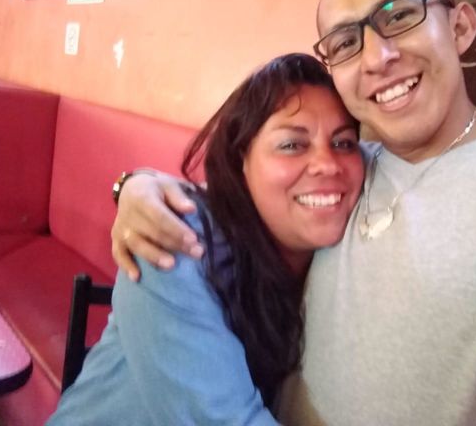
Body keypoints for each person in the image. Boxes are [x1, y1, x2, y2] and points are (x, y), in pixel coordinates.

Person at [112, 0, 476, 425]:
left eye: (400, 15)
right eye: (346, 42)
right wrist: (138, 184)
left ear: (460, 26)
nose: (377, 57)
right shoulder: (351, 170)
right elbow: (238, 192)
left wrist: (136, 184)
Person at [46, 53, 364, 425]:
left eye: (344, 143)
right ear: (241, 158)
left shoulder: (352, 218)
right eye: (292, 145)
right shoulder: (174, 240)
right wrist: (133, 185)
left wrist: (137, 181)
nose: (328, 164)